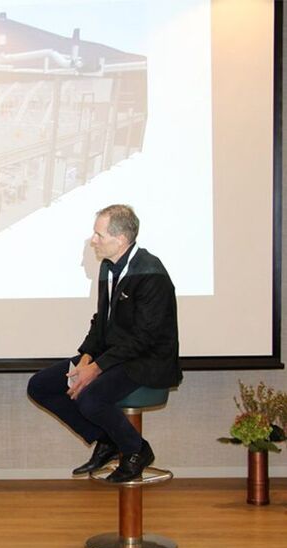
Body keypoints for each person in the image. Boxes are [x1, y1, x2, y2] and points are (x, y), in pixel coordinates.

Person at [27, 204, 181, 483]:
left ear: (121, 239)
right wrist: (86, 355)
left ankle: (136, 450)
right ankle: (107, 440)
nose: (93, 240)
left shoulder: (150, 272)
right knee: (40, 385)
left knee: (90, 397)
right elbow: (102, 320)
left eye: (99, 235)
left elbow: (144, 338)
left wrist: (96, 368)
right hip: (115, 356)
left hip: (148, 360)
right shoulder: (108, 268)